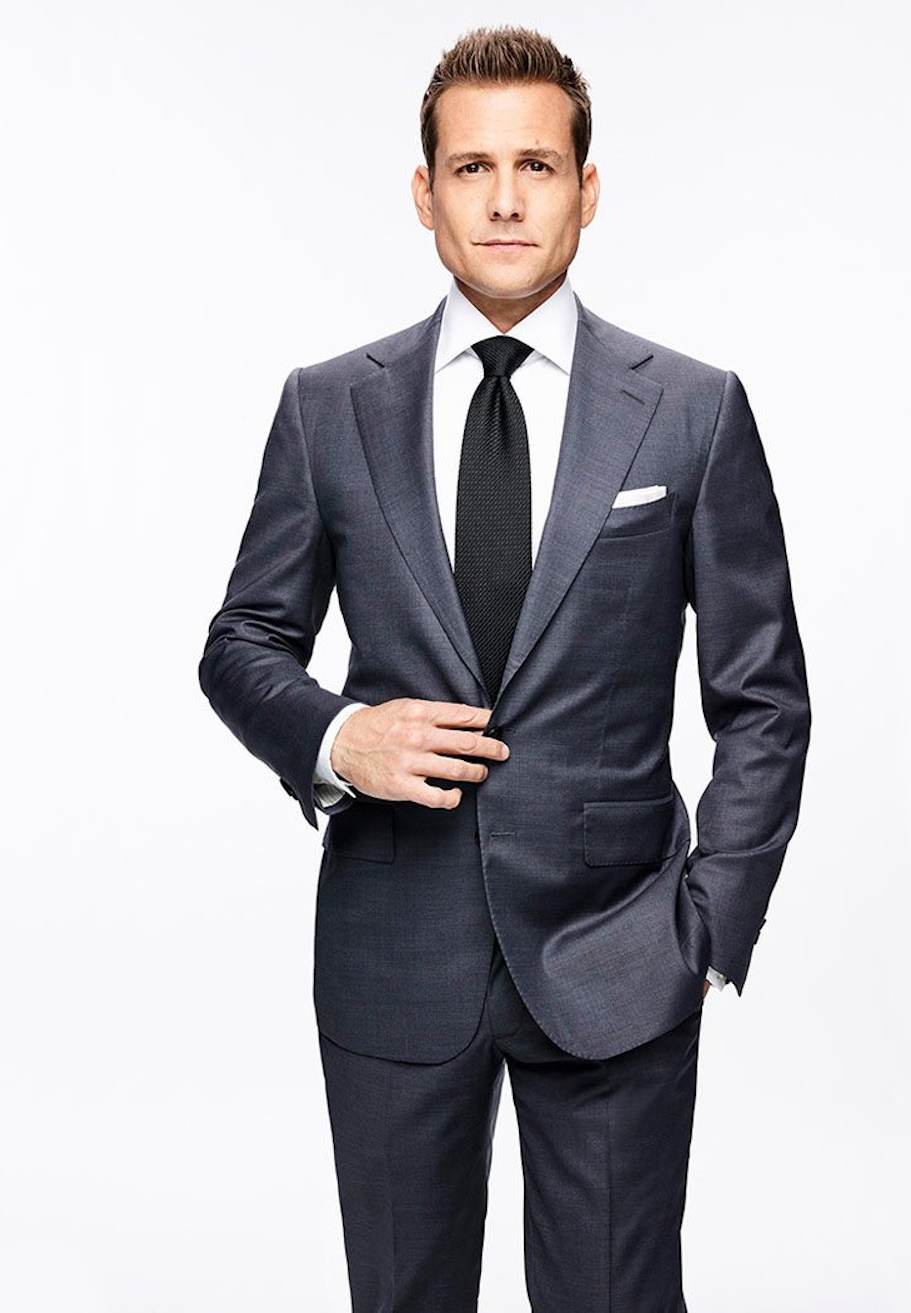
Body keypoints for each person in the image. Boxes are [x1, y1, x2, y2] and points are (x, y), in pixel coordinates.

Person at [199, 25, 810, 1313]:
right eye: (472, 168)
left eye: (537, 165)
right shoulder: (329, 405)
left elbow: (762, 698)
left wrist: (710, 927)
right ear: (424, 194)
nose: (506, 199)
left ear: (589, 188)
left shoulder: (692, 408)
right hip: (392, 945)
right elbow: (242, 641)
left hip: (622, 950)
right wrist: (339, 739)